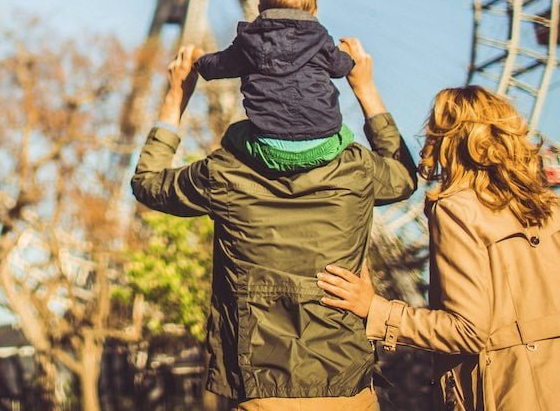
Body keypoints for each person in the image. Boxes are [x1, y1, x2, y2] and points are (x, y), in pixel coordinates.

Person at [131, 39, 417, 409]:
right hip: (347, 386)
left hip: (260, 388)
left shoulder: (224, 173)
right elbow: (404, 177)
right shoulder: (356, 170)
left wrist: (176, 98)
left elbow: (148, 182)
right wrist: (365, 89)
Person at [317, 85, 560, 411]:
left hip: (508, 391)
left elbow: (469, 331)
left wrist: (375, 310)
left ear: (447, 137)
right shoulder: (549, 207)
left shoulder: (457, 209)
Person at [194, 0, 355, 173]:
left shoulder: (247, 43)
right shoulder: (321, 41)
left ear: (260, 8)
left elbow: (218, 65)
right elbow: (341, 67)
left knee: (233, 134)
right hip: (323, 145)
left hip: (269, 149)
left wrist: (198, 62)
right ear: (314, 10)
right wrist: (350, 57)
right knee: (346, 134)